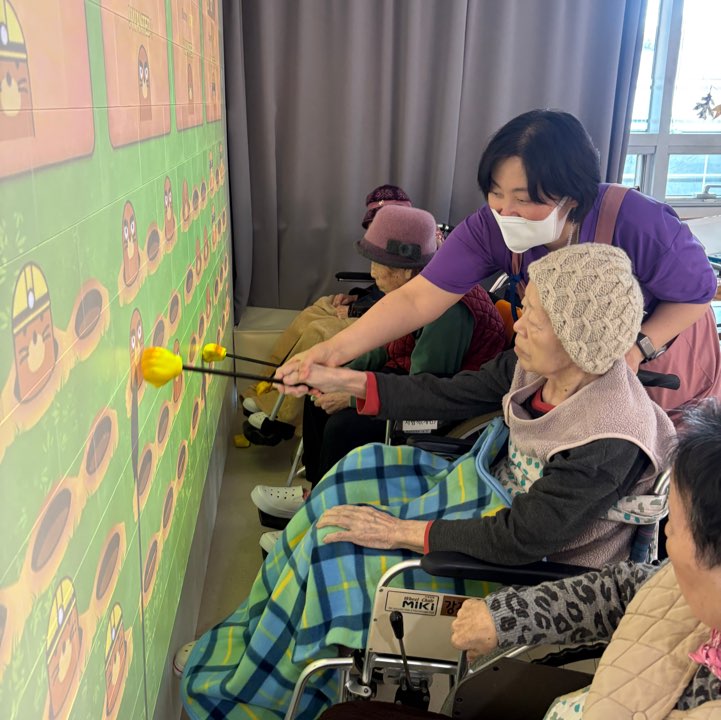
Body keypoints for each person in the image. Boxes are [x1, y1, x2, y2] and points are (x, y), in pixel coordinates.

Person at [178, 244, 675, 720]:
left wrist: (397, 531)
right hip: (489, 489)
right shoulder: (537, 365)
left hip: (527, 563)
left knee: (334, 548)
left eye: (534, 319)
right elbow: (453, 393)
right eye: (525, 308)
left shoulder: (610, 437)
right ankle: (253, 642)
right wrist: (345, 381)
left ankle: (270, 692)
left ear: (576, 340)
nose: (518, 324)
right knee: (350, 474)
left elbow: (522, 537)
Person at [276, 110, 721, 422]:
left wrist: (636, 350)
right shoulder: (490, 229)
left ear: (572, 195)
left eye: (523, 199)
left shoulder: (638, 222)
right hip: (566, 368)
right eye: (495, 192)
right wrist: (335, 351)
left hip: (662, 352)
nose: (504, 210)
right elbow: (416, 298)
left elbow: (698, 293)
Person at [450, 398, 721, 718]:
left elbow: (524, 532)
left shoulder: (612, 438)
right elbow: (620, 590)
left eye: (673, 524)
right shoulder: (674, 583)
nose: (666, 532)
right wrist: (507, 616)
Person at [251, 204, 506, 530]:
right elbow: (384, 348)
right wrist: (338, 375)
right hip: (413, 377)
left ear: (406, 271)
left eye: (378, 264)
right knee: (317, 402)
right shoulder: (411, 293)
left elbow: (424, 387)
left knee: (344, 425)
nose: (372, 273)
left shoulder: (448, 312)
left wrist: (351, 396)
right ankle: (316, 493)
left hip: (441, 400)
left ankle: (323, 517)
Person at [241, 184, 412, 445]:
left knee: (318, 331)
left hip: (381, 320)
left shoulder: (409, 246)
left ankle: (282, 416)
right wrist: (357, 297)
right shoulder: (389, 243)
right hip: (371, 306)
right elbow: (381, 286)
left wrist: (355, 309)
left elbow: (401, 298)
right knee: (315, 310)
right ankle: (265, 385)